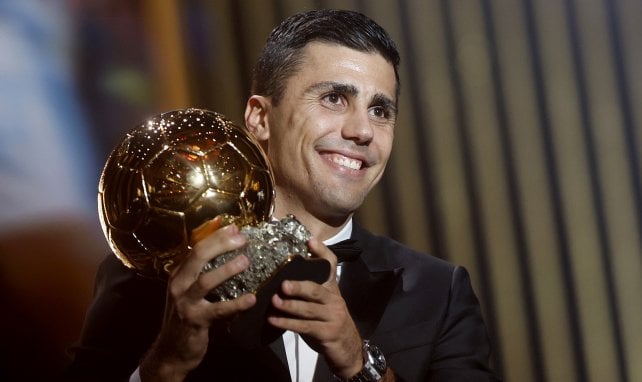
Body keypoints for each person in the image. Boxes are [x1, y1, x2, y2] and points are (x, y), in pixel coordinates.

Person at [64, 9, 498, 381]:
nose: (362, 131)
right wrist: (166, 364)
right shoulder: (153, 274)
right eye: (333, 98)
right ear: (259, 119)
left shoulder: (438, 293)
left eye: (380, 110)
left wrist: (357, 361)